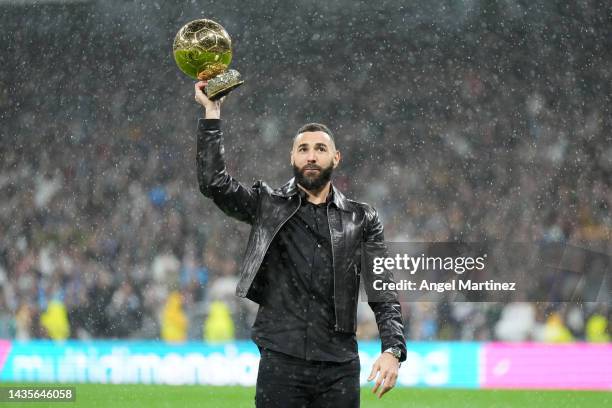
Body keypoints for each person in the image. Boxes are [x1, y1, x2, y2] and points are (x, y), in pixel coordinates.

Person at [193, 81, 406, 407]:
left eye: (320, 149)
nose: (311, 156)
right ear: (292, 156)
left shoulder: (362, 218)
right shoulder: (269, 204)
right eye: (303, 149)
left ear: (336, 158)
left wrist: (392, 350)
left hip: (339, 366)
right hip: (281, 361)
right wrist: (212, 112)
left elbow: (382, 291)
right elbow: (214, 183)